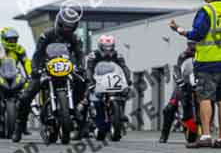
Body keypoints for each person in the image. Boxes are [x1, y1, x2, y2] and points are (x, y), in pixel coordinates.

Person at [169, 0, 221, 149]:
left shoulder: (206, 10)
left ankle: (206, 135)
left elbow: (197, 34)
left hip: (208, 62)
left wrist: (179, 30)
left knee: (205, 98)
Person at [14, 12, 85, 142]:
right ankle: (20, 125)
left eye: (71, 26)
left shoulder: (75, 38)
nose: (68, 29)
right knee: (26, 95)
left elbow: (80, 54)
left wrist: (80, 67)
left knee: (82, 82)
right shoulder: (46, 35)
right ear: (59, 23)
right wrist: (35, 69)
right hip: (45, 68)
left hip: (66, 68)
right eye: (65, 26)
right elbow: (37, 55)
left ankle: (74, 108)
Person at [86, 34, 132, 139]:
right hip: (97, 79)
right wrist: (90, 80)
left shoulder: (118, 55)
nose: (108, 49)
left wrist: (127, 79)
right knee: (87, 96)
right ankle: (86, 119)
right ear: (100, 45)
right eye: (105, 47)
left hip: (112, 81)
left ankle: (120, 114)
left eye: (110, 46)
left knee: (124, 93)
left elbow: (124, 68)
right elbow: (89, 68)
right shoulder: (93, 55)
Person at [159, 41, 199, 143]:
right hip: (185, 83)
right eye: (192, 44)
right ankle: (164, 134)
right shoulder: (183, 55)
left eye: (195, 43)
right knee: (169, 108)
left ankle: (206, 132)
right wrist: (180, 79)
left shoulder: (204, 53)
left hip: (200, 83)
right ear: (188, 45)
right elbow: (178, 68)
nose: (193, 46)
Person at [2, 27, 33, 135]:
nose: (13, 42)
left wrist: (30, 74)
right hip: (1, 74)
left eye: (14, 39)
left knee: (25, 98)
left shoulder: (20, 49)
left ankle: (22, 125)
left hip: (13, 74)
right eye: (10, 40)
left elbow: (26, 62)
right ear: (4, 39)